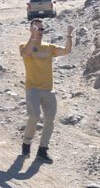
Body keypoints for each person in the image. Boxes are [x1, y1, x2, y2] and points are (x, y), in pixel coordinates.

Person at [19, 18, 72, 163]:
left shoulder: (49, 47)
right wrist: (33, 36)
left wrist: (69, 35)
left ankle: (42, 150)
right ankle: (26, 144)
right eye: (37, 29)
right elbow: (26, 54)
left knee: (50, 120)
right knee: (34, 116)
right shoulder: (24, 45)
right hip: (33, 89)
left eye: (42, 29)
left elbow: (67, 51)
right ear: (31, 29)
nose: (40, 32)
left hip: (48, 89)